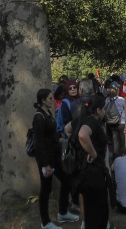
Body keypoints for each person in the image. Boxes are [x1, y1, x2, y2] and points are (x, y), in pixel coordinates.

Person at [32, 88, 78, 229]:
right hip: (46, 159)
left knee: (66, 180)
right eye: (50, 98)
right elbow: (39, 143)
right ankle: (45, 222)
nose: (52, 100)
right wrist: (45, 164)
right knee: (45, 189)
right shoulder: (39, 117)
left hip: (55, 156)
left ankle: (62, 212)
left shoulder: (48, 114)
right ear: (43, 100)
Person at [72, 94, 110, 229]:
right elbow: (82, 135)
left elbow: (67, 129)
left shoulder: (82, 119)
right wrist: (92, 152)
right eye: (104, 108)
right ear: (98, 110)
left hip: (86, 171)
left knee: (92, 210)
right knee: (97, 212)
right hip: (93, 172)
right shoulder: (91, 121)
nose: (105, 111)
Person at [104, 80, 126, 158]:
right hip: (122, 123)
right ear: (117, 90)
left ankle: (116, 159)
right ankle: (125, 158)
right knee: (124, 142)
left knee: (116, 143)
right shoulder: (121, 100)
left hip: (112, 124)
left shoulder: (107, 100)